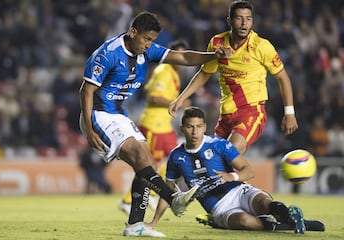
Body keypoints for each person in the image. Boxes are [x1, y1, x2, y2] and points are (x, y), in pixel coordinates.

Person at [79, 11, 228, 237]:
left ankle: (134, 225)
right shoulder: (107, 53)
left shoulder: (148, 52)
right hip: (98, 113)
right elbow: (86, 90)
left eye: (152, 40)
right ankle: (173, 199)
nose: (149, 45)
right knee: (140, 157)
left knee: (146, 160)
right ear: (133, 32)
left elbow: (185, 58)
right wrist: (89, 128)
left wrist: (212, 55)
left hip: (118, 113)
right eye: (146, 39)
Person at [148, 107, 325, 235]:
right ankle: (290, 224)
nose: (195, 132)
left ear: (204, 127)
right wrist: (154, 221)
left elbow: (249, 170)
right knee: (245, 221)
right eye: (190, 127)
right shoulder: (176, 156)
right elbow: (168, 190)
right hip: (218, 207)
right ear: (182, 129)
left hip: (238, 190)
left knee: (265, 203)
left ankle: (288, 217)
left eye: (199, 126)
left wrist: (230, 176)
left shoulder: (219, 145)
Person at [169, 0, 298, 155]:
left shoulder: (261, 46)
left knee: (230, 151)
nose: (244, 23)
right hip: (226, 114)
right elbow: (204, 74)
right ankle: (238, 179)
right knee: (216, 164)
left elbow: (283, 77)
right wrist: (181, 98)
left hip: (251, 111)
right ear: (229, 21)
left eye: (248, 19)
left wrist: (289, 112)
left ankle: (241, 176)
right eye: (239, 18)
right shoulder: (217, 43)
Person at [118, 39, 192, 215]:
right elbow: (153, 97)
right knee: (149, 164)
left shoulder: (172, 73)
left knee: (177, 156)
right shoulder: (163, 71)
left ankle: (151, 191)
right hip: (154, 125)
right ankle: (128, 200)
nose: (180, 60)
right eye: (178, 56)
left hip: (163, 125)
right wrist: (178, 103)